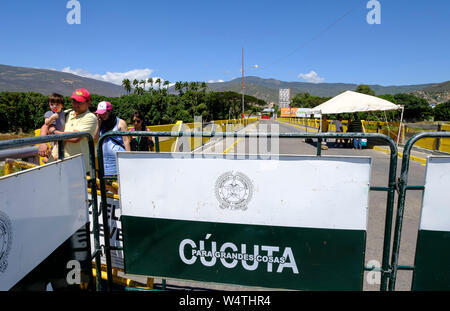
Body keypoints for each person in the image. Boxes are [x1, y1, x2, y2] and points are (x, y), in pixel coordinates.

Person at [38, 88, 98, 174]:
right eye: (74, 101)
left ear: (88, 103)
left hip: (77, 166)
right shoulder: (66, 113)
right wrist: (42, 142)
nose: (75, 104)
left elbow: (75, 138)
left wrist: (53, 131)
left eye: (79, 102)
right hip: (56, 160)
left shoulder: (90, 117)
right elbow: (45, 126)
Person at [94, 101, 131, 177]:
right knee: (108, 185)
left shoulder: (120, 123)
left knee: (119, 184)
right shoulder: (101, 124)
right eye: (100, 114)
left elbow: (126, 141)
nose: (102, 115)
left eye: (104, 113)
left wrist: (128, 158)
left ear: (109, 111)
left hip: (118, 160)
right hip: (105, 161)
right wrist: (98, 124)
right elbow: (96, 139)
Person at [40, 93, 66, 162]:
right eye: (52, 104)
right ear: (49, 105)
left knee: (55, 147)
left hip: (60, 133)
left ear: (62, 105)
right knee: (55, 146)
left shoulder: (63, 113)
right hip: (53, 135)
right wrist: (52, 118)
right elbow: (46, 123)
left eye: (57, 105)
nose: (54, 106)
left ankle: (49, 156)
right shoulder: (49, 113)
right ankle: (51, 157)